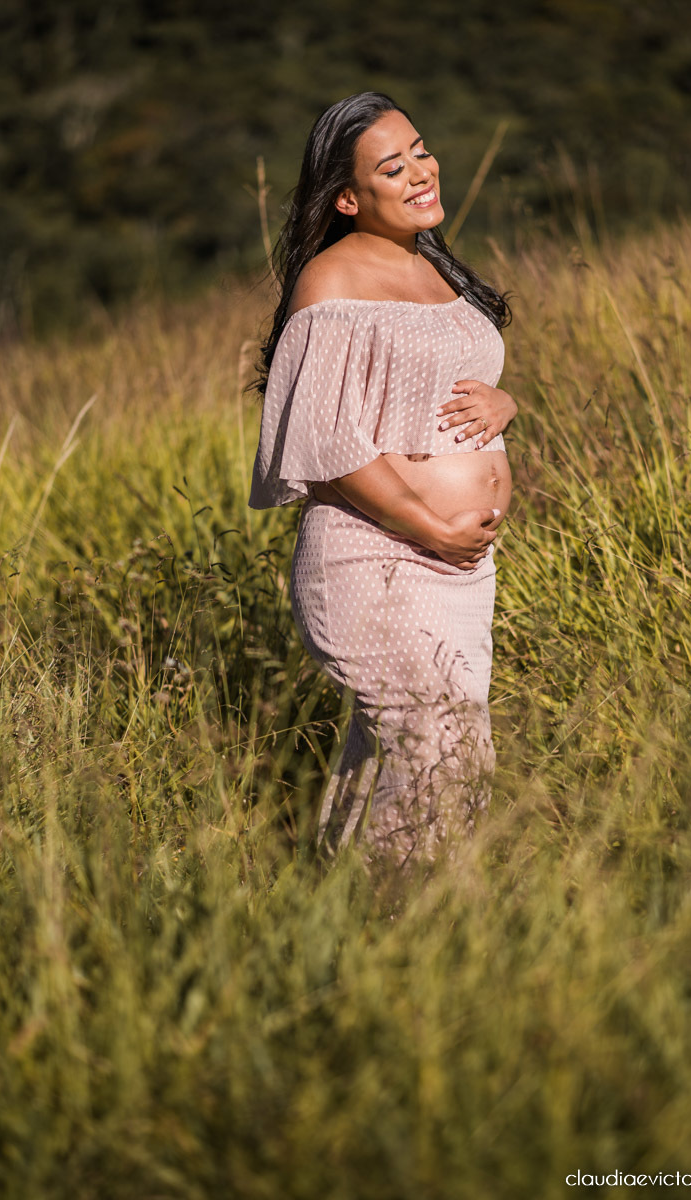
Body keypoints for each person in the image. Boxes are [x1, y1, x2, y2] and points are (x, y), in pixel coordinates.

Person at [250, 92, 517, 865]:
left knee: (394, 755)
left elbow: (451, 390)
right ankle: (401, 924)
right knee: (445, 750)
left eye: (421, 151)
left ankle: (330, 913)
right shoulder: (331, 283)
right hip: (376, 558)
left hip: (458, 569)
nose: (420, 172)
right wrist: (431, 525)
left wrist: (504, 402)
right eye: (390, 168)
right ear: (346, 197)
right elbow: (328, 443)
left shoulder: (433, 265)